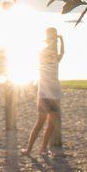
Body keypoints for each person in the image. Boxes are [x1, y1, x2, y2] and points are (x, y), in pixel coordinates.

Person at [25, 26, 66, 154]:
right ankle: (29, 149)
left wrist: (61, 40)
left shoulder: (55, 57)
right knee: (40, 123)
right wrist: (57, 40)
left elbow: (62, 53)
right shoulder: (43, 53)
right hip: (44, 93)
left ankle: (43, 148)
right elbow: (54, 52)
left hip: (54, 93)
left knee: (51, 124)